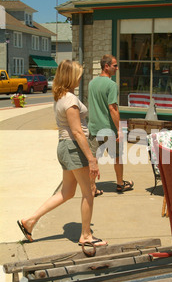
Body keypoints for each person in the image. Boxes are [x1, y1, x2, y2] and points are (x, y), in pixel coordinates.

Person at [17, 59, 107, 251]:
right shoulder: (70, 100)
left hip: (65, 146)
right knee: (88, 192)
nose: (80, 78)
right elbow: (77, 132)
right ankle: (86, 235)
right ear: (70, 76)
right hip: (74, 147)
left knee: (66, 192)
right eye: (78, 75)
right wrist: (91, 159)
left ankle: (30, 221)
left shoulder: (60, 96)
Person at [88, 54, 134, 193]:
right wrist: (120, 129)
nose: (117, 68)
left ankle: (92, 188)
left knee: (93, 158)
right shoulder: (112, 85)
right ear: (106, 66)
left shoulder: (91, 83)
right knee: (118, 157)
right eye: (114, 65)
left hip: (94, 128)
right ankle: (120, 183)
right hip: (108, 129)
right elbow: (112, 108)